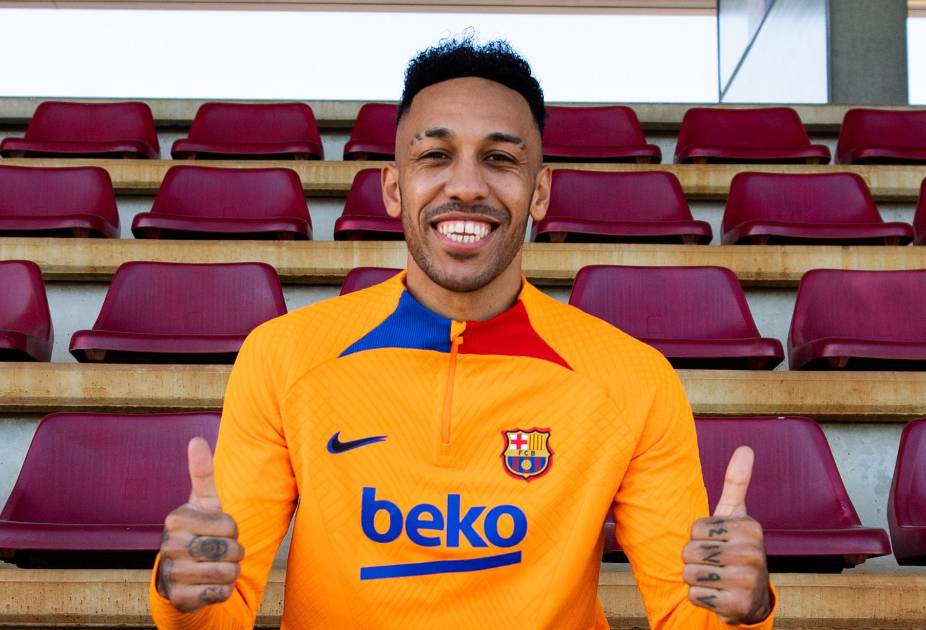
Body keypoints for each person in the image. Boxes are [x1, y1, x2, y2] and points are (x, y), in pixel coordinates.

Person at [151, 37, 775, 629]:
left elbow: (692, 615)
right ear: (394, 189)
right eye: (435, 156)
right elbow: (215, 614)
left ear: (540, 194)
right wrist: (181, 590)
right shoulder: (284, 357)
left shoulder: (631, 380)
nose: (468, 186)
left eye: (500, 159)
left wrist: (741, 608)